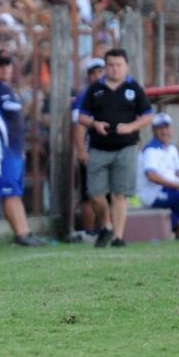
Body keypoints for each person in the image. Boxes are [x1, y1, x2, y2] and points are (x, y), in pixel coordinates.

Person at [78, 48, 153, 247]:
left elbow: (147, 115)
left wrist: (131, 127)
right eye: (110, 65)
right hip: (98, 148)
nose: (114, 69)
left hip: (125, 147)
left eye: (118, 65)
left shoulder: (134, 88)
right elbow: (81, 115)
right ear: (106, 67)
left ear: (126, 66)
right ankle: (107, 225)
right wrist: (94, 124)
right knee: (95, 194)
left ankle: (118, 237)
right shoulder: (95, 89)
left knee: (120, 194)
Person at [0, 50, 45, 247]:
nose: (4, 68)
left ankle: (25, 232)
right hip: (1, 152)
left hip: (14, 152)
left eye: (7, 64)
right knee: (8, 193)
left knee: (15, 192)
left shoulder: (8, 90)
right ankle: (20, 235)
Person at [137, 113, 179, 238]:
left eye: (167, 127)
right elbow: (152, 176)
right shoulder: (151, 150)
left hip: (168, 189)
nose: (164, 131)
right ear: (153, 130)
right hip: (153, 194)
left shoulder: (171, 148)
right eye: (160, 128)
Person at [71, 57, 105, 240]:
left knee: (104, 193)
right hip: (91, 150)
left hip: (105, 150)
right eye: (94, 73)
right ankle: (89, 230)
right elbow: (78, 125)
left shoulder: (107, 93)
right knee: (88, 193)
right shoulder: (85, 96)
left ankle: (103, 229)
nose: (98, 76)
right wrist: (82, 151)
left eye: (101, 71)